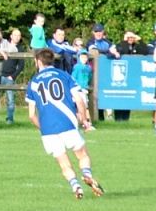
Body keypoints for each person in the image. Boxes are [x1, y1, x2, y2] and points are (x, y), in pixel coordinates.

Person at [26, 49, 105, 200]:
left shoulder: (34, 82)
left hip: (48, 130)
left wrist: (44, 128)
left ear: (38, 61)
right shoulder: (64, 75)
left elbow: (31, 115)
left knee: (63, 162)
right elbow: (79, 99)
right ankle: (87, 175)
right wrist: (83, 119)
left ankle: (75, 186)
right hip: (67, 123)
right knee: (82, 154)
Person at [0, 27, 24, 124]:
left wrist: (13, 76)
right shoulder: (4, 45)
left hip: (9, 77)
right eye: (15, 35)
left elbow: (21, 66)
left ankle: (10, 119)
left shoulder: (21, 49)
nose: (17, 37)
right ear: (11, 36)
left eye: (19, 35)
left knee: (10, 100)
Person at [71, 51, 95, 131]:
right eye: (82, 57)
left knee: (84, 106)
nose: (84, 59)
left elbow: (89, 77)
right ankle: (83, 123)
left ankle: (85, 123)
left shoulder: (88, 68)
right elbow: (73, 77)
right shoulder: (77, 67)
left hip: (84, 89)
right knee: (79, 106)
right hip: (78, 89)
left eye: (85, 57)